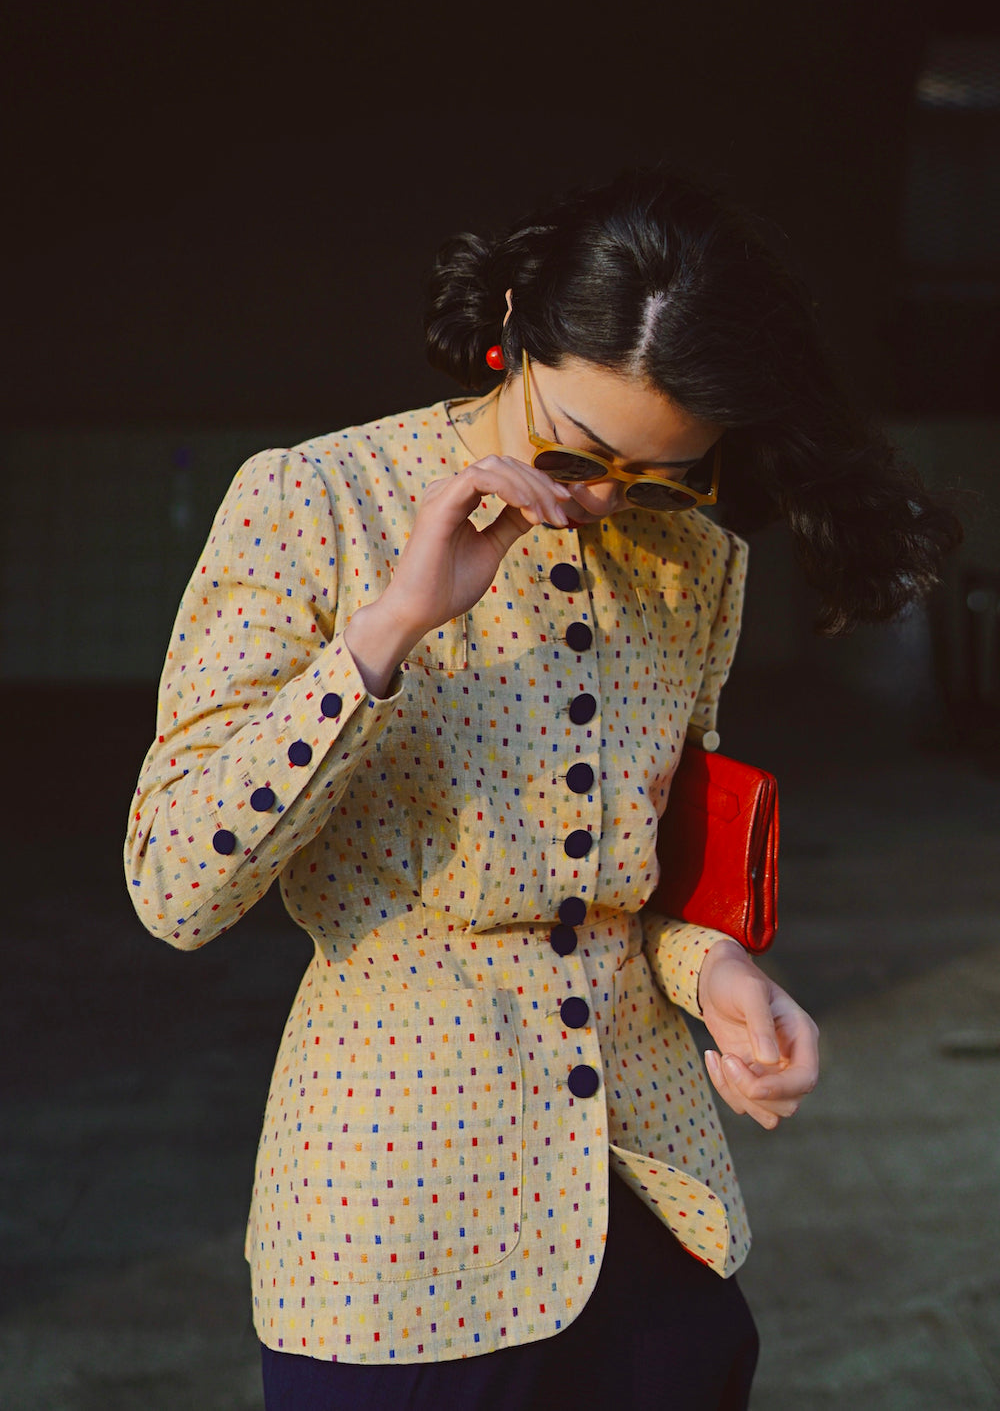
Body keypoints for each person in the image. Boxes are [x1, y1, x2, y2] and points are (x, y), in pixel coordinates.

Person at [125, 168, 959, 1410]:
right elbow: (174, 883)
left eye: (662, 470)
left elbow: (652, 874)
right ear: (512, 328)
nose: (602, 498)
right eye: (578, 447)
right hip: (391, 1231)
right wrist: (393, 625)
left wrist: (718, 973)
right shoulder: (312, 502)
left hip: (651, 1208)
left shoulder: (693, 555)